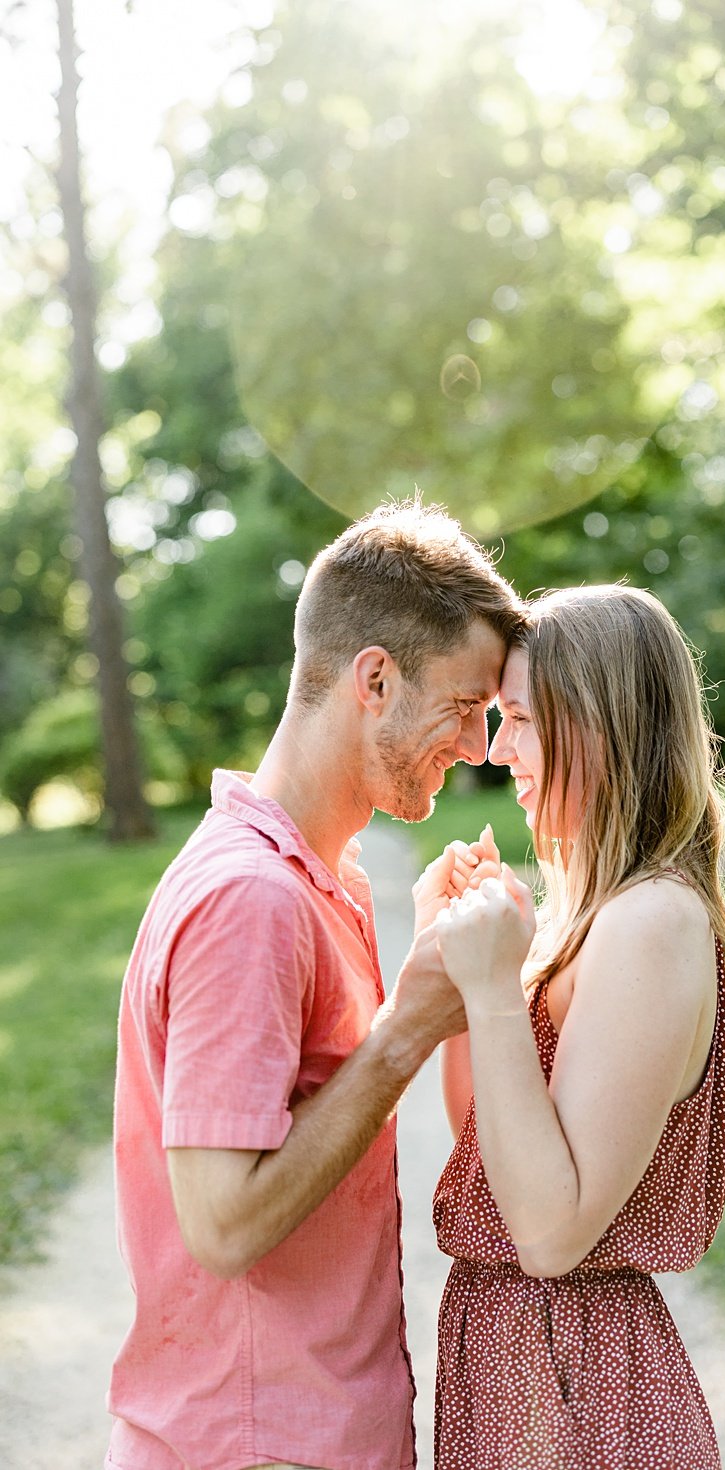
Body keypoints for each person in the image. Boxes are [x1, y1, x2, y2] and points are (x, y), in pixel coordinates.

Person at [106, 501, 525, 1470]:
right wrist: (405, 1030)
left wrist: (417, 974)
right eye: (465, 707)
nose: (475, 747)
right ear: (374, 680)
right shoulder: (252, 899)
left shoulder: (318, 877)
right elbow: (223, 1222)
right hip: (253, 1444)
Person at [430, 584, 725, 1470]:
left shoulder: (654, 920)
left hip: (579, 1383)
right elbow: (490, 1151)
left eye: (524, 719)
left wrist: (497, 991)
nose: (500, 752)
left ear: (603, 723)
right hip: (519, 1366)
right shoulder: (594, 915)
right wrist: (462, 973)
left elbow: (550, 1233)